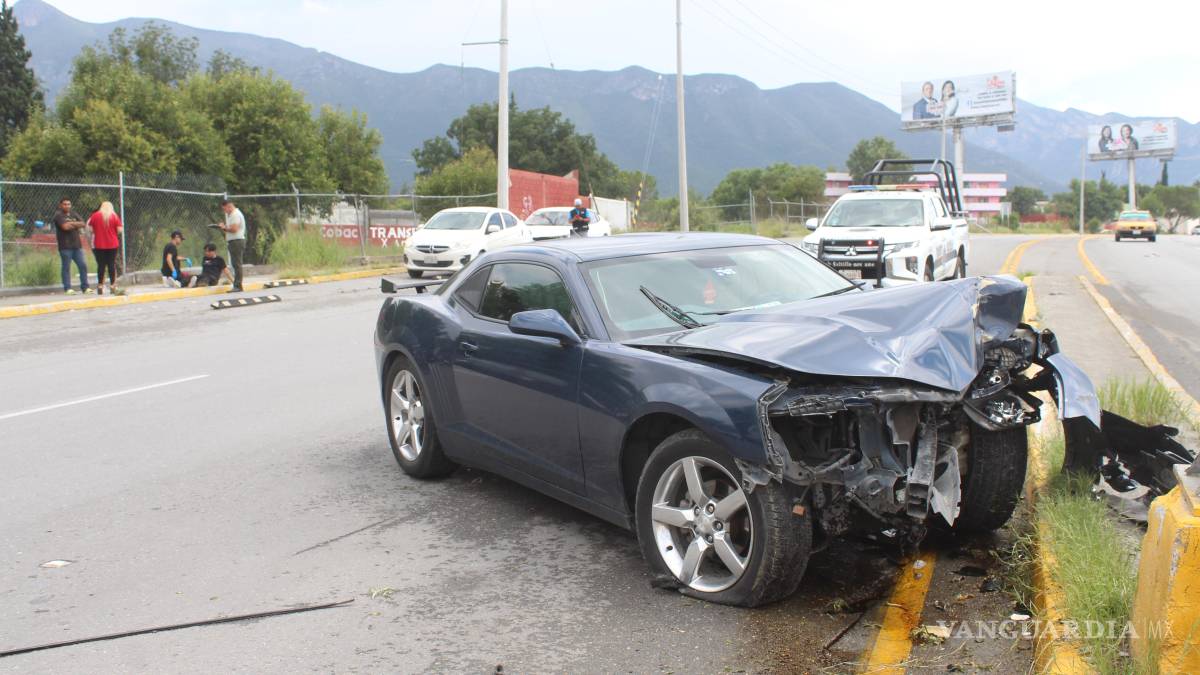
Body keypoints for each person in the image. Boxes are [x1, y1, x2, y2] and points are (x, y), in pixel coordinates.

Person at [52, 198, 91, 294]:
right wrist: (75, 224)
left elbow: (83, 223)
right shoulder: (58, 215)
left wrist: (71, 223)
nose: (67, 206)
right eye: (65, 204)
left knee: (83, 265)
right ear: (61, 205)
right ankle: (68, 288)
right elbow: (65, 227)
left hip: (77, 246)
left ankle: (85, 288)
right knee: (66, 267)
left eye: (69, 204)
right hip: (65, 246)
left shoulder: (74, 214)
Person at [87, 201, 123, 295]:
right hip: (112, 243)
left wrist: (98, 231)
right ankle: (112, 285)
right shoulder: (114, 216)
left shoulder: (95, 216)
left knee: (101, 265)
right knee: (111, 264)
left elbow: (90, 229)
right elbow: (119, 230)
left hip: (99, 243)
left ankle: (100, 285)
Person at [217, 199, 246, 292]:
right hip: (234, 241)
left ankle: (238, 286)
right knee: (235, 264)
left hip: (237, 241)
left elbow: (234, 229)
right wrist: (224, 227)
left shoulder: (235, 214)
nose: (224, 211)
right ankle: (237, 285)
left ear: (229, 206)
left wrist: (224, 227)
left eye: (224, 209)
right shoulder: (232, 215)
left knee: (237, 264)